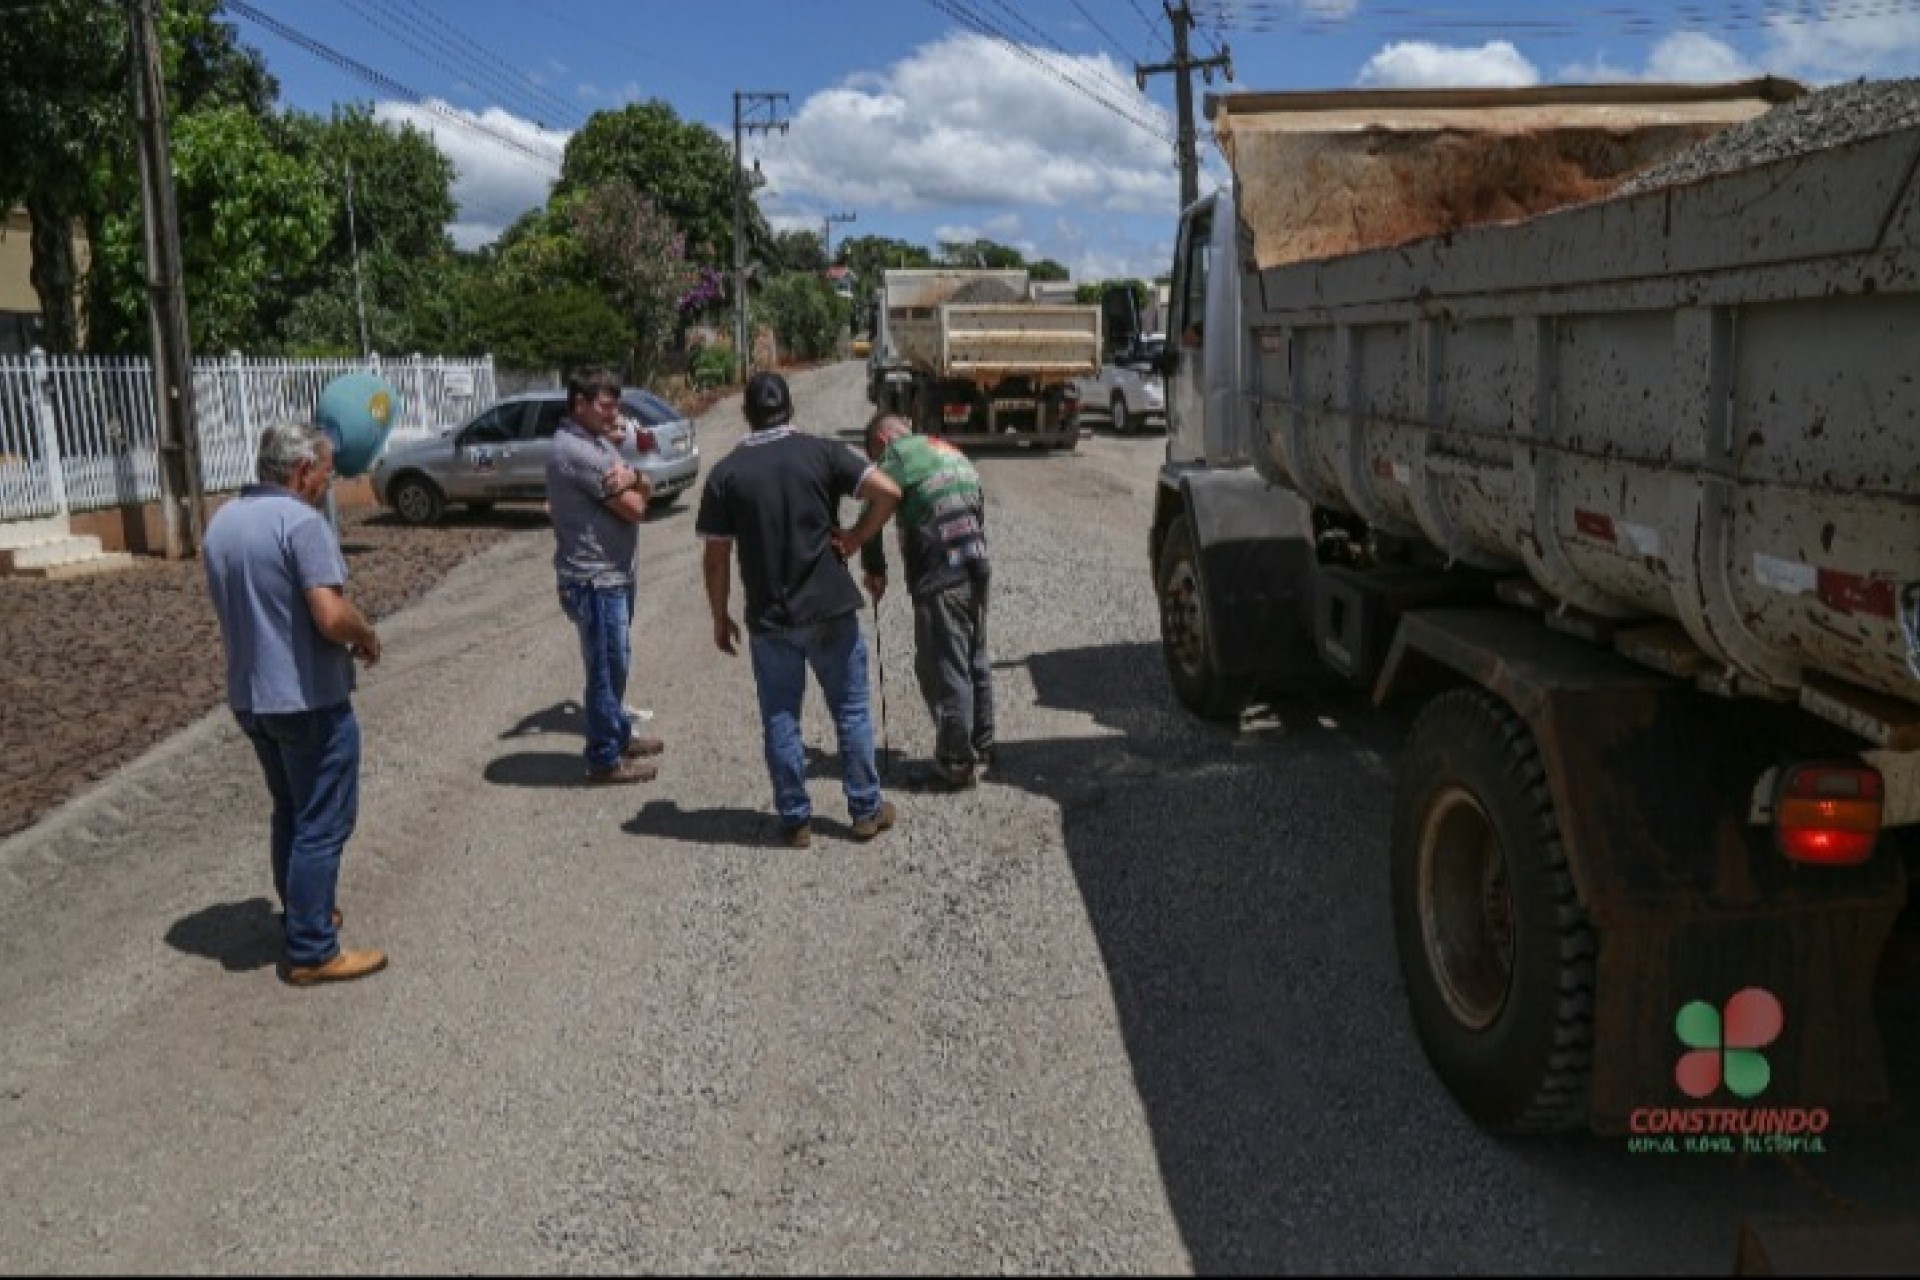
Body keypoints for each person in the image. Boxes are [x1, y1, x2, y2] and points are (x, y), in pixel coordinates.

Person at [202, 421, 386, 987]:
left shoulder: (224, 522)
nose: (330, 484)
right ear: (304, 470)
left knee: (291, 810)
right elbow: (329, 616)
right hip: (306, 699)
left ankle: (303, 913)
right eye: (328, 472)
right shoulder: (300, 524)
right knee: (323, 821)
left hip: (251, 697)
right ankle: (312, 947)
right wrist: (366, 631)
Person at [695, 371, 904, 848]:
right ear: (790, 409)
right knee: (850, 712)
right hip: (831, 606)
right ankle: (865, 810)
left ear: (746, 414)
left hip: (771, 618)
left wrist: (719, 615)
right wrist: (854, 538)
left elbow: (715, 556)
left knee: (781, 718)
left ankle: (795, 820)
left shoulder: (727, 474)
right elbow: (889, 492)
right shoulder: (823, 453)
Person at [833, 413, 995, 790]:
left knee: (941, 664)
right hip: (976, 562)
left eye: (875, 454)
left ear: (884, 439)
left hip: (942, 572)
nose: (877, 463)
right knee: (974, 654)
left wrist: (871, 564)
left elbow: (875, 504)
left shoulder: (899, 456)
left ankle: (956, 761)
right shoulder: (948, 450)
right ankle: (983, 742)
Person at [546, 365, 665, 784]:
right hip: (595, 581)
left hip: (612, 576)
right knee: (604, 670)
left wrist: (635, 478)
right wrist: (638, 484)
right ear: (579, 404)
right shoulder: (577, 452)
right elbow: (637, 508)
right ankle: (604, 759)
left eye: (616, 405)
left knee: (616, 665)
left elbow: (644, 485)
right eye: (605, 405)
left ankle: (617, 735)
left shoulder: (597, 443)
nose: (614, 414)